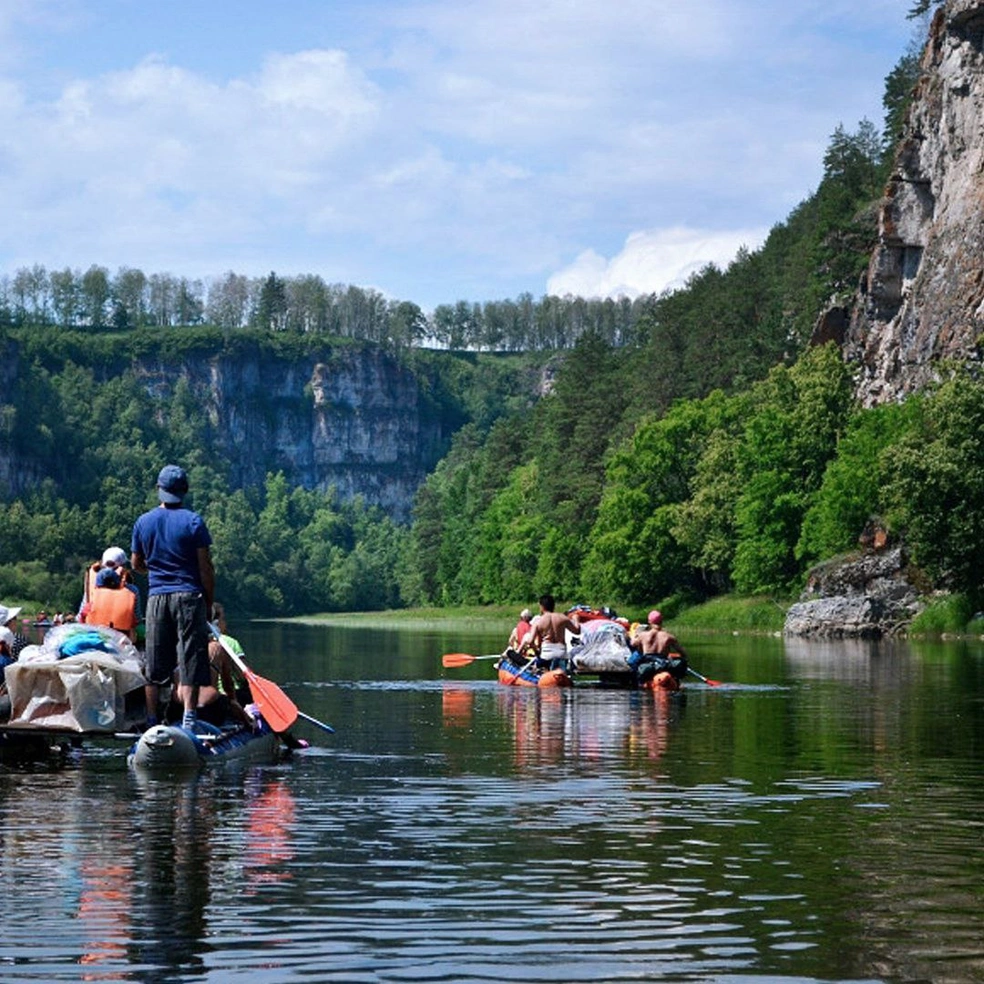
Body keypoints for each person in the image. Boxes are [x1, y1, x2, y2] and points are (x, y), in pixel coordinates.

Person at [131, 464, 215, 732]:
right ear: (185, 491)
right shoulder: (194, 521)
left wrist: (152, 569)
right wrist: (208, 602)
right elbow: (205, 568)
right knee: (190, 657)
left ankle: (152, 719)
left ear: (160, 490)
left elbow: (137, 563)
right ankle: (189, 718)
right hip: (190, 597)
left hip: (157, 598)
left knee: (154, 662)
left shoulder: (143, 522)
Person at [628, 610, 689, 686]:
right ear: (661, 621)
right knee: (681, 663)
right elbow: (683, 653)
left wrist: (633, 635)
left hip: (648, 666)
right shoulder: (668, 637)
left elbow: (632, 644)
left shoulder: (643, 635)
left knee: (632, 663)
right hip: (663, 665)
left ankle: (637, 682)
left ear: (649, 622)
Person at [84, 565, 139, 641]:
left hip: (97, 639)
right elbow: (133, 635)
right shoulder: (127, 598)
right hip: (120, 642)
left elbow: (82, 622)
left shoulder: (93, 601)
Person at [530, 594, 580, 669]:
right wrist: (576, 619)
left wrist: (536, 651)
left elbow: (530, 641)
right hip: (561, 653)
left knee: (536, 668)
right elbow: (577, 631)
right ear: (553, 606)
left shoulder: (537, 622)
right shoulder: (563, 618)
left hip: (546, 654)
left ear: (541, 606)